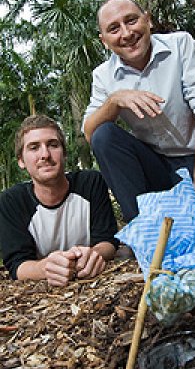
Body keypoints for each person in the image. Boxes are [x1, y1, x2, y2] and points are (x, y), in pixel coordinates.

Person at [82, 0, 195, 223]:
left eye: (131, 21)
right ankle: (142, 225)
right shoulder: (103, 76)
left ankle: (189, 201)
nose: (126, 33)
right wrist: (114, 100)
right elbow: (89, 132)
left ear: (148, 20)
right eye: (114, 28)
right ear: (104, 40)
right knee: (104, 135)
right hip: (151, 165)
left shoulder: (181, 45)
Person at [0, 114, 119, 286]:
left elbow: (108, 240)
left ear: (64, 153)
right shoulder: (11, 202)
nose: (45, 155)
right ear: (21, 161)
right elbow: (17, 265)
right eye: (34, 148)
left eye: (52, 145)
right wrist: (45, 267)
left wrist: (94, 254)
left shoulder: (91, 183)